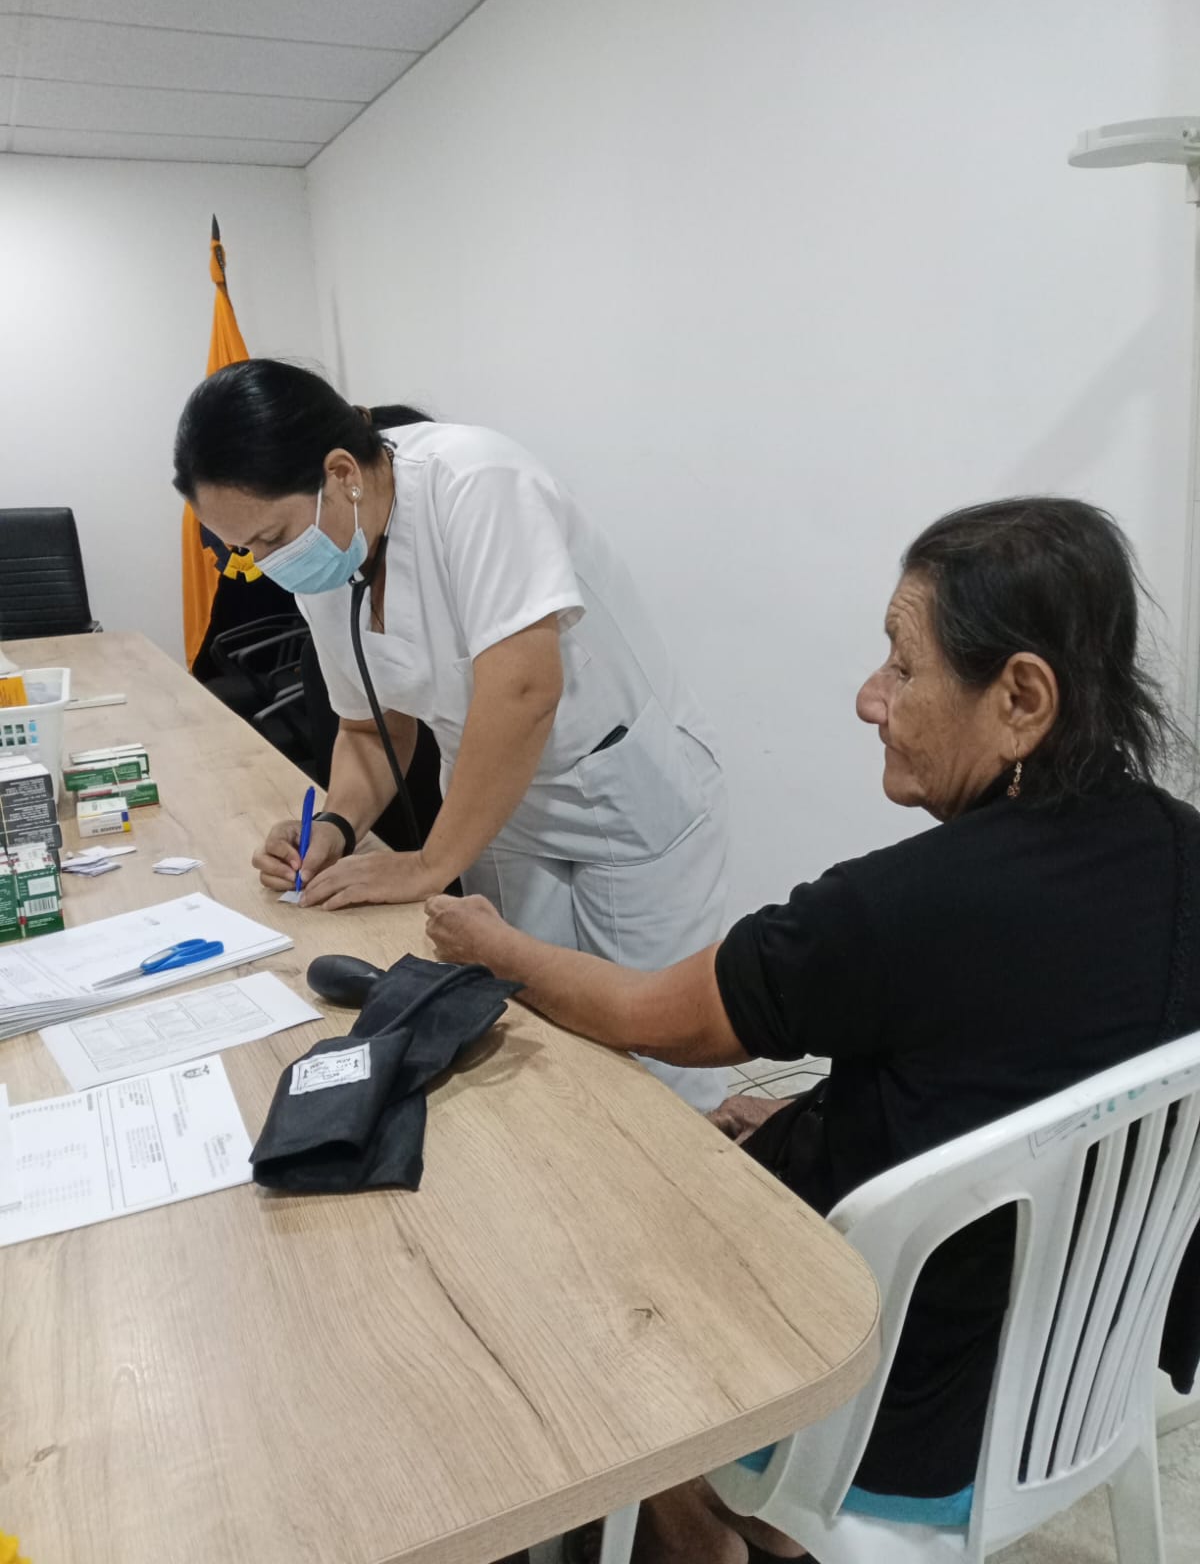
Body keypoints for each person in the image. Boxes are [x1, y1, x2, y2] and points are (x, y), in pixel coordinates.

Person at [424, 496, 1200, 1562]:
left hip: (884, 1418)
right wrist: (824, 1119)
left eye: (903, 665)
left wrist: (497, 946)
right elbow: (1011, 1071)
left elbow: (645, 1014)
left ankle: (700, 1528)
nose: (870, 697)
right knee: (733, 1133)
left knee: (559, 1222)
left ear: (1021, 697)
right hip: (1078, 1378)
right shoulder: (1180, 851)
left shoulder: (891, 911)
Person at [172, 359, 728, 1112]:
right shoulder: (327, 561)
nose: (267, 565)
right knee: (533, 1041)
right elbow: (371, 729)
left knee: (655, 1063)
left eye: (271, 537)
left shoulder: (477, 483)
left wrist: (430, 864)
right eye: (248, 549)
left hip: (623, 800)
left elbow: (525, 690)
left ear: (341, 474)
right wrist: (336, 825)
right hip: (495, 811)